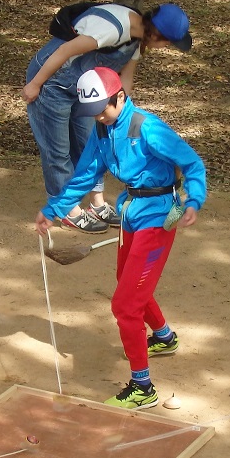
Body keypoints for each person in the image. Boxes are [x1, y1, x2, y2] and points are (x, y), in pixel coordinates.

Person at [34, 67, 206, 409]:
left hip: (159, 218)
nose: (98, 115)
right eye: (92, 110)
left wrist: (195, 197)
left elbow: (192, 163)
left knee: (125, 305)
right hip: (130, 214)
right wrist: (54, 209)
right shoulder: (101, 130)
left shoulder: (147, 127)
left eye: (102, 107)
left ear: (121, 97)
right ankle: (164, 336)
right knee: (126, 283)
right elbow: (84, 175)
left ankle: (143, 388)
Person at [24, 2, 193, 234]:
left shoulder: (137, 37)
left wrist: (124, 117)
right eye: (168, 42)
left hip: (86, 92)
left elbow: (126, 81)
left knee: (89, 147)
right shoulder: (112, 29)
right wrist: (34, 84)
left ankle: (97, 203)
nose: (166, 47)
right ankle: (68, 210)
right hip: (51, 83)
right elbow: (62, 52)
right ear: (156, 34)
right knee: (58, 150)